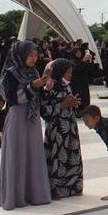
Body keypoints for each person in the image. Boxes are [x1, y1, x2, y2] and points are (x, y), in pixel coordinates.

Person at [0, 40, 52, 210]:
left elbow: (39, 98)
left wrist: (45, 88)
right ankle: (16, 197)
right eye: (30, 55)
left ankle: (35, 195)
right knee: (18, 155)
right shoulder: (11, 73)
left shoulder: (34, 72)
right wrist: (32, 86)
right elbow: (11, 99)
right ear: (21, 55)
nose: (34, 58)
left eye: (36, 55)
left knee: (32, 154)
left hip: (32, 119)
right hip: (18, 118)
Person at [40, 58, 83, 200]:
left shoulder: (67, 87)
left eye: (71, 72)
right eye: (67, 72)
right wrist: (63, 105)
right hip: (56, 130)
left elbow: (68, 103)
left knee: (72, 156)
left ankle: (74, 187)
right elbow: (44, 111)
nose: (70, 75)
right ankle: (56, 190)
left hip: (69, 127)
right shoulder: (50, 88)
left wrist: (73, 104)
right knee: (58, 158)